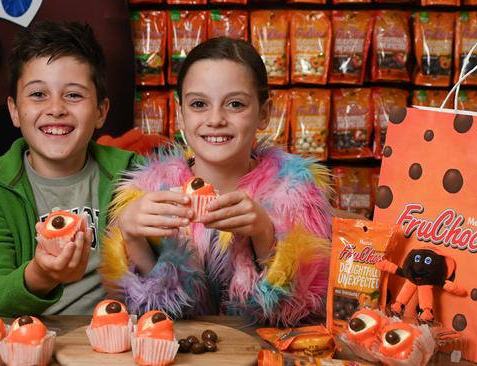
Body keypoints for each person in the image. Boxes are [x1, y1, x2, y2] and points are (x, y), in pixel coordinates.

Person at [100, 37, 332, 326]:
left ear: (264, 113)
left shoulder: (296, 194)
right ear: (180, 112)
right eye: (199, 104)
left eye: (235, 104)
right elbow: (148, 312)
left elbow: (303, 312)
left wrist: (263, 233)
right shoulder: (150, 191)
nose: (216, 119)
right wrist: (133, 238)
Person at [0, 21, 141, 317]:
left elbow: (178, 272)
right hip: (28, 344)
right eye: (37, 95)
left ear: (100, 111)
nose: (56, 108)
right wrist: (41, 274)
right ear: (14, 111)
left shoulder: (133, 175)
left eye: (73, 95)